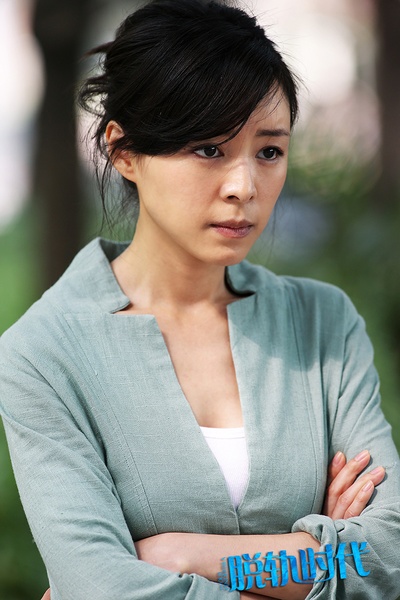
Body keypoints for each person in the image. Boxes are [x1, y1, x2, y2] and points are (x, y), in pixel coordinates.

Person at [1, 1, 400, 599]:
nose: (244, 186)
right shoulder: (43, 355)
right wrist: (315, 562)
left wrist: (190, 557)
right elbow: (101, 588)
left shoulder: (322, 324)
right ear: (124, 151)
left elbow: (387, 557)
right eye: (209, 149)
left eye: (269, 151)